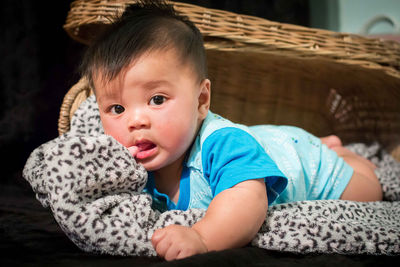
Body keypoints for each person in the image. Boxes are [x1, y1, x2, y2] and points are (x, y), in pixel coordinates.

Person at [79, 0, 382, 261]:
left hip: (307, 162)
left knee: (369, 192)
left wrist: (203, 238)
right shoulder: (127, 163)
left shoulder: (221, 144)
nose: (135, 121)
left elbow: (246, 199)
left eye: (156, 99)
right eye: (116, 109)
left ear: (202, 100)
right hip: (265, 139)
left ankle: (341, 153)